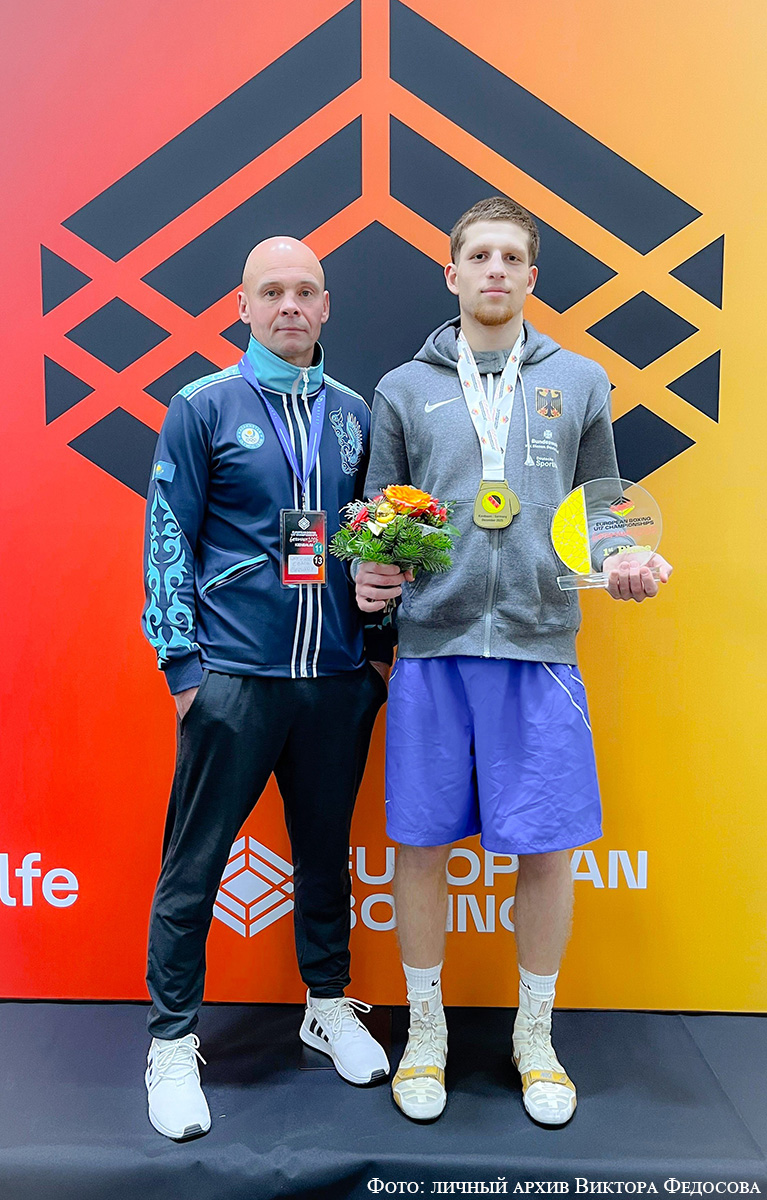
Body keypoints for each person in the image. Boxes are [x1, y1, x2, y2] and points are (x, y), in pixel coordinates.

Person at [355, 197, 672, 1126]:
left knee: (545, 852)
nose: (493, 270)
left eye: (510, 257)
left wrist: (625, 561)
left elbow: (603, 511)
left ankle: (535, 1036)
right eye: (478, 255)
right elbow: (377, 517)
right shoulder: (401, 389)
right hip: (432, 649)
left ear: (531, 277)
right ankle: (425, 1033)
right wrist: (371, 572)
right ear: (450, 273)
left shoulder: (579, 380)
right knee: (419, 846)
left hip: (538, 648)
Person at [141, 236, 392, 1141]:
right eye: (271, 291)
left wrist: (375, 657)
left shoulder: (356, 414)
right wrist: (184, 669)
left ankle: (326, 1006)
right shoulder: (202, 405)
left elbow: (375, 540)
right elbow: (167, 536)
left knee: (324, 854)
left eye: (305, 291)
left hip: (334, 681)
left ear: (326, 306)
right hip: (234, 681)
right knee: (194, 864)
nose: (290, 305)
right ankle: (172, 1040)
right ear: (241, 307)